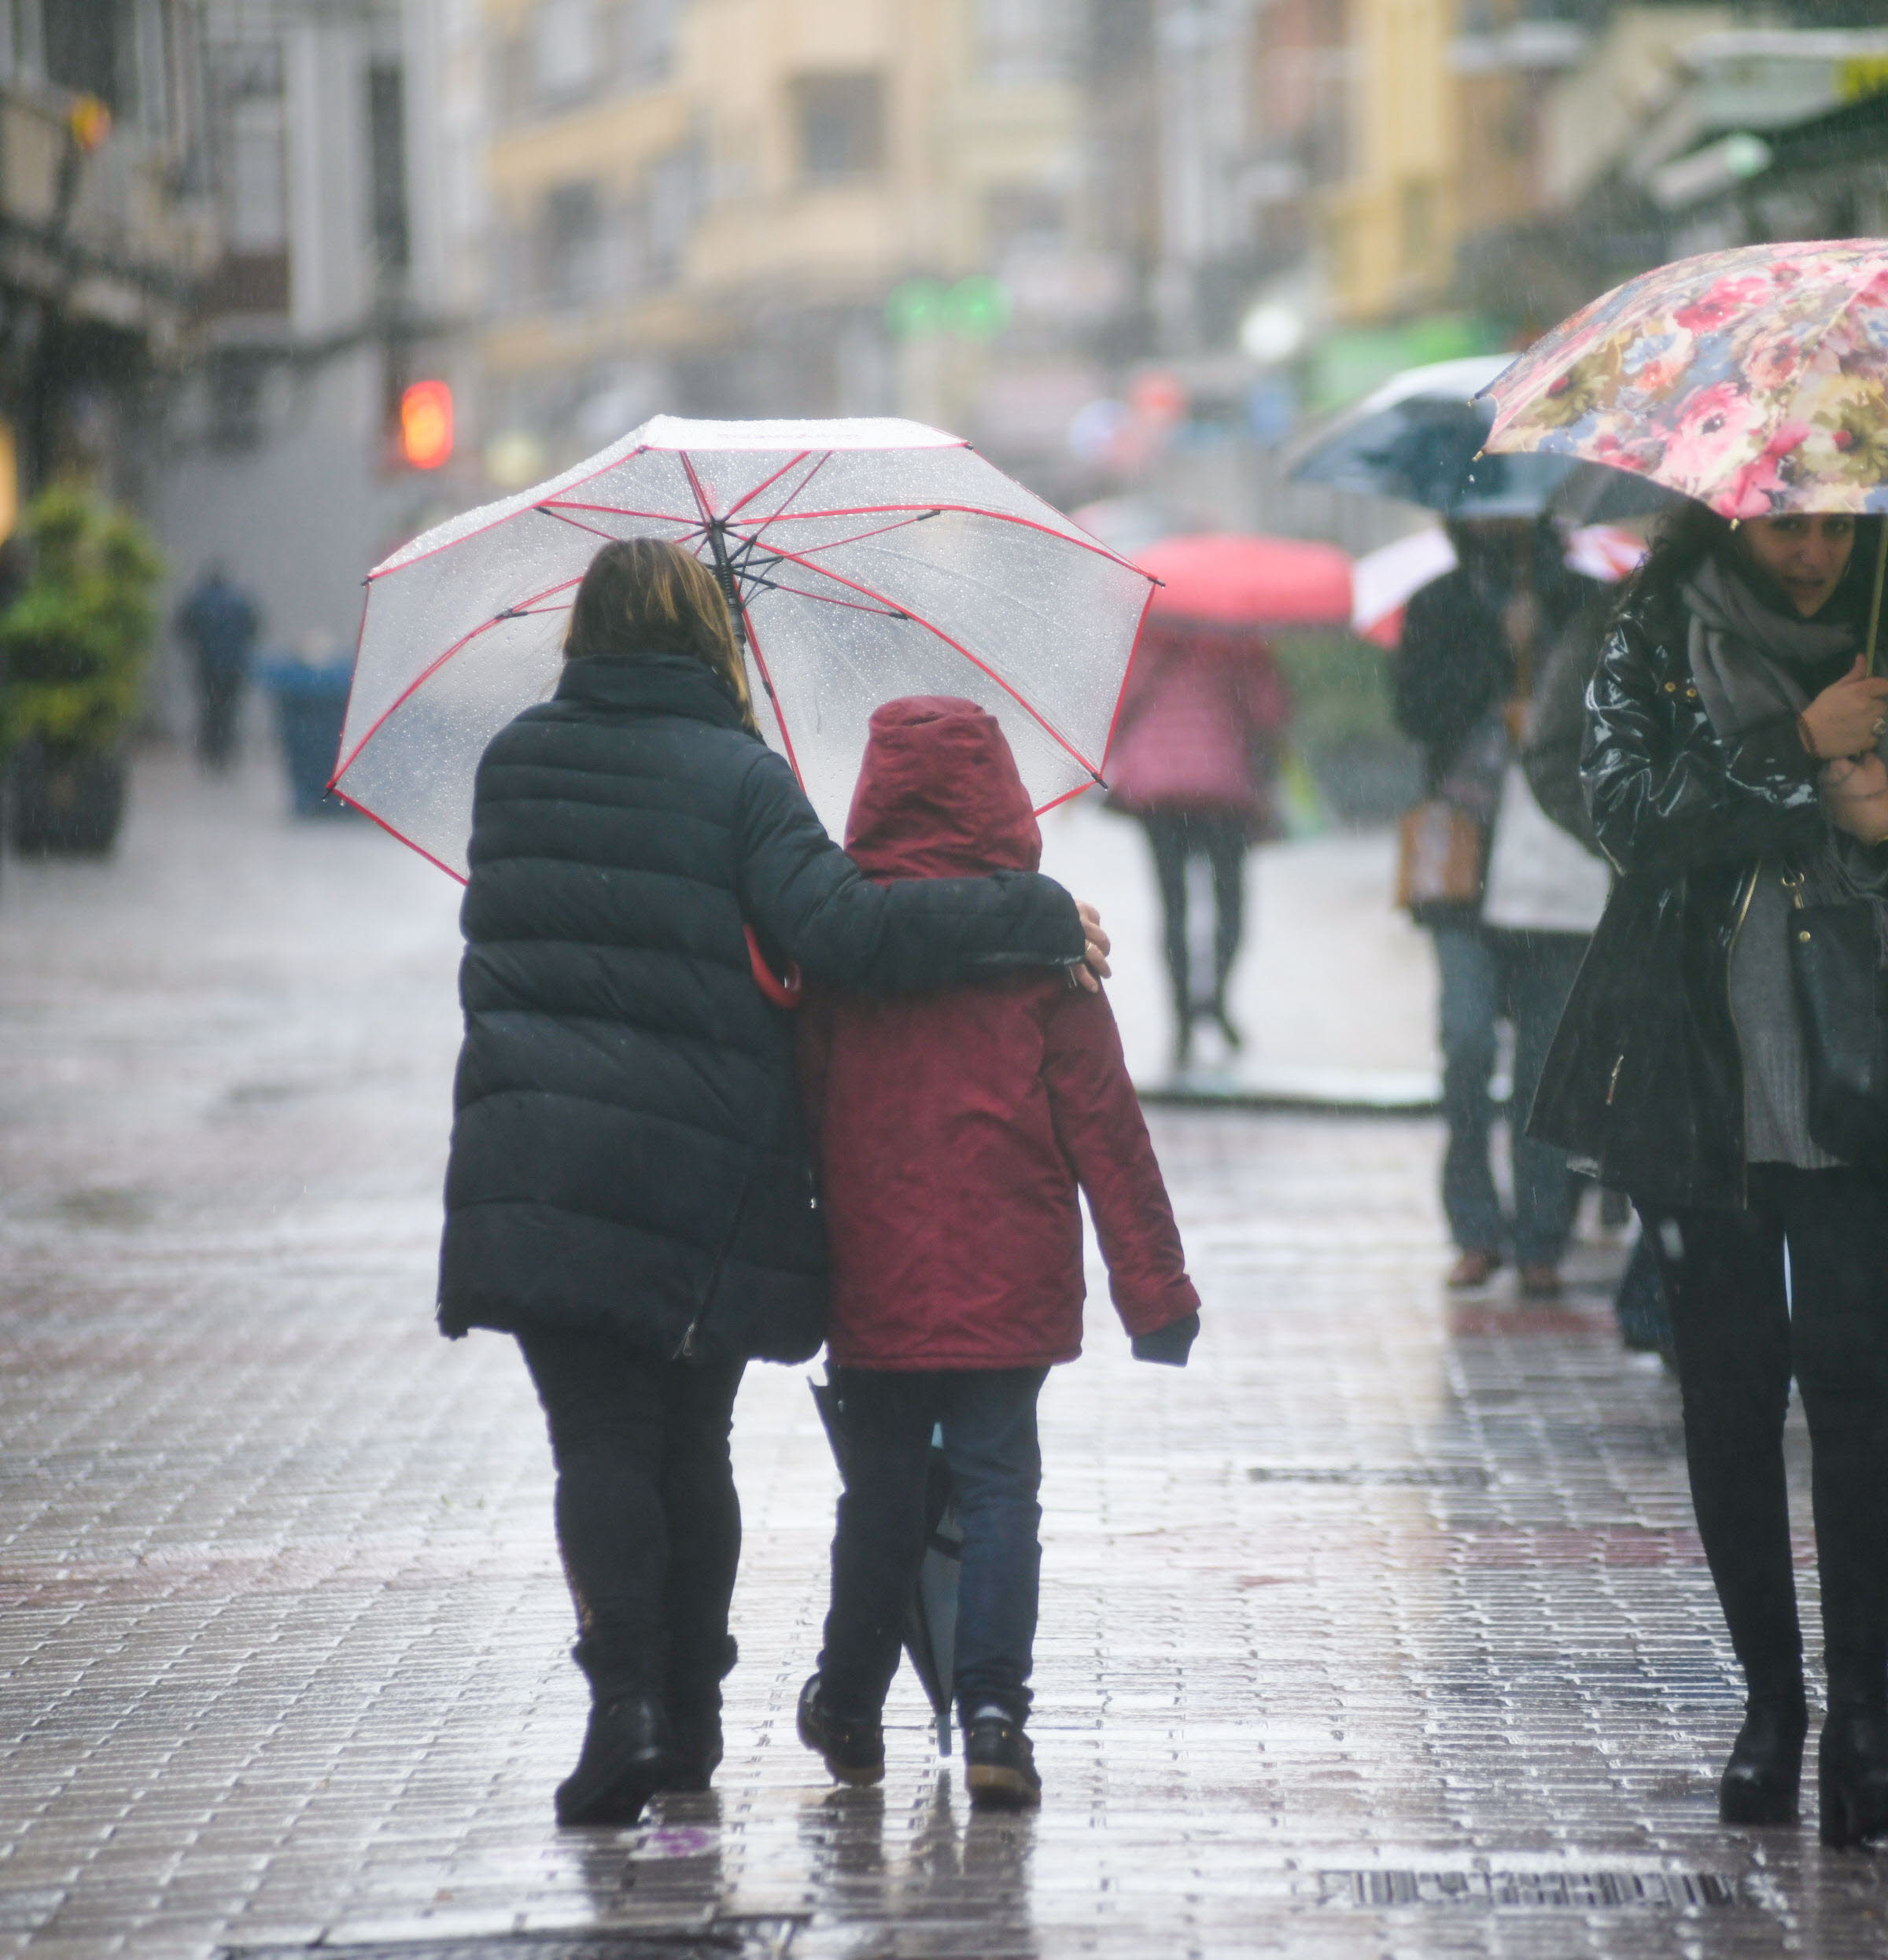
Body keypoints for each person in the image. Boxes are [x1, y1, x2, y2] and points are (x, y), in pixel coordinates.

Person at [438, 538, 1111, 1829]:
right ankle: (688, 1720)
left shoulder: (512, 761)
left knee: (599, 1442)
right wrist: (1025, 914)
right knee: (692, 1438)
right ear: (711, 637)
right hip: (703, 1172)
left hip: (543, 1163)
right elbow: (850, 933)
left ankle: (626, 1707)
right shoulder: (743, 778)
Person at [1527, 503, 1888, 1846]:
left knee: (1858, 1387)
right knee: (1731, 1398)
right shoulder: (1657, 640)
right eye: (1788, 529)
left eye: (1839, 531)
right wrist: (1795, 754)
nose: (1812, 557)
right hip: (1697, 1073)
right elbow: (1627, 817)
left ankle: (1865, 1715)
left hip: (1871, 1075)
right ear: (1731, 517)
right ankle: (1771, 1707)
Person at [786, 694, 1203, 1807]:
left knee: (878, 1500)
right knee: (1001, 1486)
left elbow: (801, 1120)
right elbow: (1106, 1128)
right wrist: (1156, 1295)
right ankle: (995, 1717)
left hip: (875, 1275)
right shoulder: (1045, 943)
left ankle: (853, 1706)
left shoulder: (842, 948)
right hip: (1010, 1275)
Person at [1392, 517, 1611, 1295]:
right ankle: (1474, 1227)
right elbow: (1412, 713)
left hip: (1560, 865)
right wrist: (1494, 653)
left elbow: (1617, 723)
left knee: (1550, 1061)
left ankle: (1542, 1234)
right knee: (1465, 1043)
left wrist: (1547, 668)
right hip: (1464, 860)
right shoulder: (1440, 602)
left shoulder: (1591, 603)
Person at [1101, 622, 1289, 1068]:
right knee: (1230, 904)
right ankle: (1215, 998)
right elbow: (1272, 712)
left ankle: (1182, 1019)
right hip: (1223, 787)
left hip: (1158, 789)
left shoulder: (1150, 641)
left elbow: (1116, 706)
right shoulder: (1242, 640)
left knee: (1173, 908)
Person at [174, 562, 260, 769]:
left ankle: (210, 751)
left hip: (207, 665)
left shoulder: (198, 600)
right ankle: (226, 751)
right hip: (234, 666)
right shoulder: (240, 600)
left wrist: (200, 645)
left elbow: (182, 628)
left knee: (209, 709)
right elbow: (254, 628)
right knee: (230, 710)